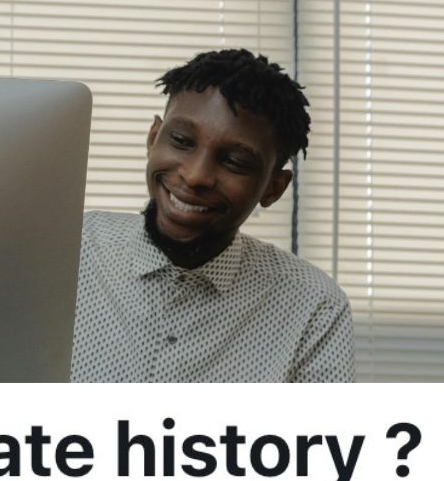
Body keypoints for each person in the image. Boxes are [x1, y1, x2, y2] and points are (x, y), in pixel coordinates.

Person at [71, 49, 354, 383]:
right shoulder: (67, 251)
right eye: (180, 141)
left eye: (234, 161)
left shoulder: (314, 307)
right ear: (153, 139)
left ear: (274, 188)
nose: (195, 176)